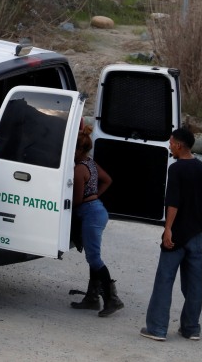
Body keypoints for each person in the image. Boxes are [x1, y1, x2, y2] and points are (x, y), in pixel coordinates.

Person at [140, 127, 202, 341]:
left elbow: (173, 204)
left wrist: (168, 230)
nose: (169, 145)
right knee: (194, 285)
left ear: (180, 145)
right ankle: (191, 328)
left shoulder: (176, 169)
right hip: (196, 237)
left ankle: (157, 329)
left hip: (176, 237)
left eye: (171, 142)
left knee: (164, 281)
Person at [70, 125, 124, 317]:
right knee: (94, 255)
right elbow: (107, 179)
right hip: (97, 210)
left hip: (90, 213)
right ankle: (92, 298)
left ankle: (112, 299)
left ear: (79, 149)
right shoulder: (91, 163)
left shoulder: (78, 170)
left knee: (94, 258)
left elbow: (76, 200)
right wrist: (94, 196)